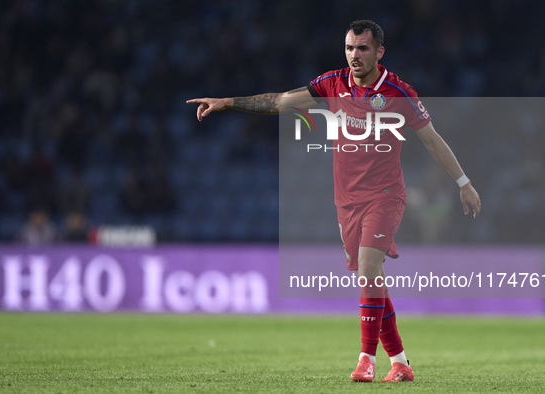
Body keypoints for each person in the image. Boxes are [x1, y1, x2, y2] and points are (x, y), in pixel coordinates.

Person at [187, 19, 481, 383]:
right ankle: (401, 363)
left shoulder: (398, 92)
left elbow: (433, 140)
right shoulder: (331, 84)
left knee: (368, 268)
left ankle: (365, 360)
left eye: (362, 49)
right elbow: (280, 102)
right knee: (371, 277)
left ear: (378, 52)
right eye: (349, 48)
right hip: (347, 200)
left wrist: (463, 182)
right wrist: (227, 102)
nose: (354, 56)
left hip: (386, 195)